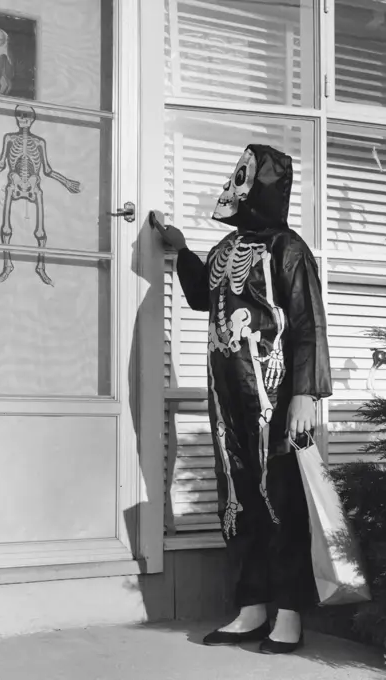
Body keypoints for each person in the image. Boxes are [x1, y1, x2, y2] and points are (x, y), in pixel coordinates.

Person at [150, 144, 332, 655]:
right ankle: (251, 606)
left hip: (274, 398)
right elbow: (202, 294)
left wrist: (305, 393)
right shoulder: (229, 247)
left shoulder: (288, 249)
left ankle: (290, 611)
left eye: (246, 177)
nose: (235, 186)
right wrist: (180, 249)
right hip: (228, 398)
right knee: (239, 494)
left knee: (282, 496)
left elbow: (308, 323)